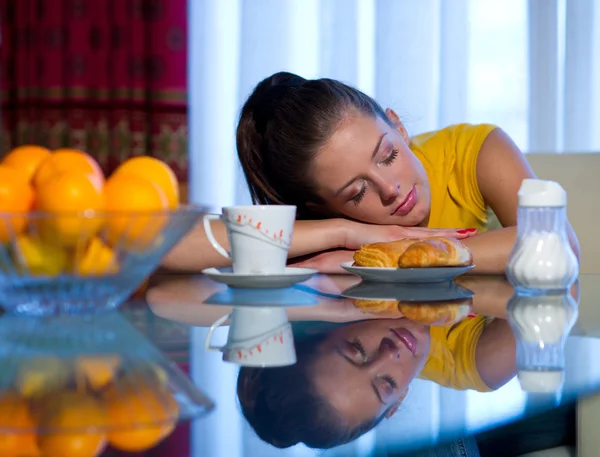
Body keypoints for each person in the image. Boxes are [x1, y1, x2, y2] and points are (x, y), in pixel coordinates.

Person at [163, 71, 579, 274]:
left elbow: (558, 244)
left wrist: (402, 255)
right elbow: (165, 247)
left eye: (387, 155)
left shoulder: (475, 151)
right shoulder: (330, 234)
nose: (391, 189)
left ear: (398, 126)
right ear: (318, 206)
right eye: (357, 192)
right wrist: (342, 234)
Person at [237, 313, 516, 450]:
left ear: (323, 324)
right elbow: (554, 272)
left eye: (356, 350)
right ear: (397, 403)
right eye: (386, 386)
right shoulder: (478, 361)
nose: (389, 353)